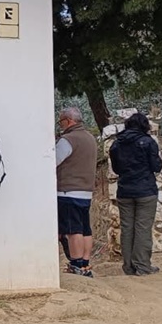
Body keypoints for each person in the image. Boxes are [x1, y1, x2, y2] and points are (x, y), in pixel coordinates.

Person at [110, 112, 162, 276]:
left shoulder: (116, 144)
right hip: (145, 190)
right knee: (143, 228)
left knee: (127, 228)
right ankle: (142, 266)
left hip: (124, 191)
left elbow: (116, 169)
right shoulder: (148, 142)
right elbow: (156, 166)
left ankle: (128, 266)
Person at [56, 107, 98, 277]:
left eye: (61, 121)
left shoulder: (68, 140)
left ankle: (76, 264)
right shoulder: (90, 138)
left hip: (68, 191)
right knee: (85, 229)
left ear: (68, 121)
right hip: (86, 191)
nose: (60, 125)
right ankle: (85, 263)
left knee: (73, 230)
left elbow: (53, 160)